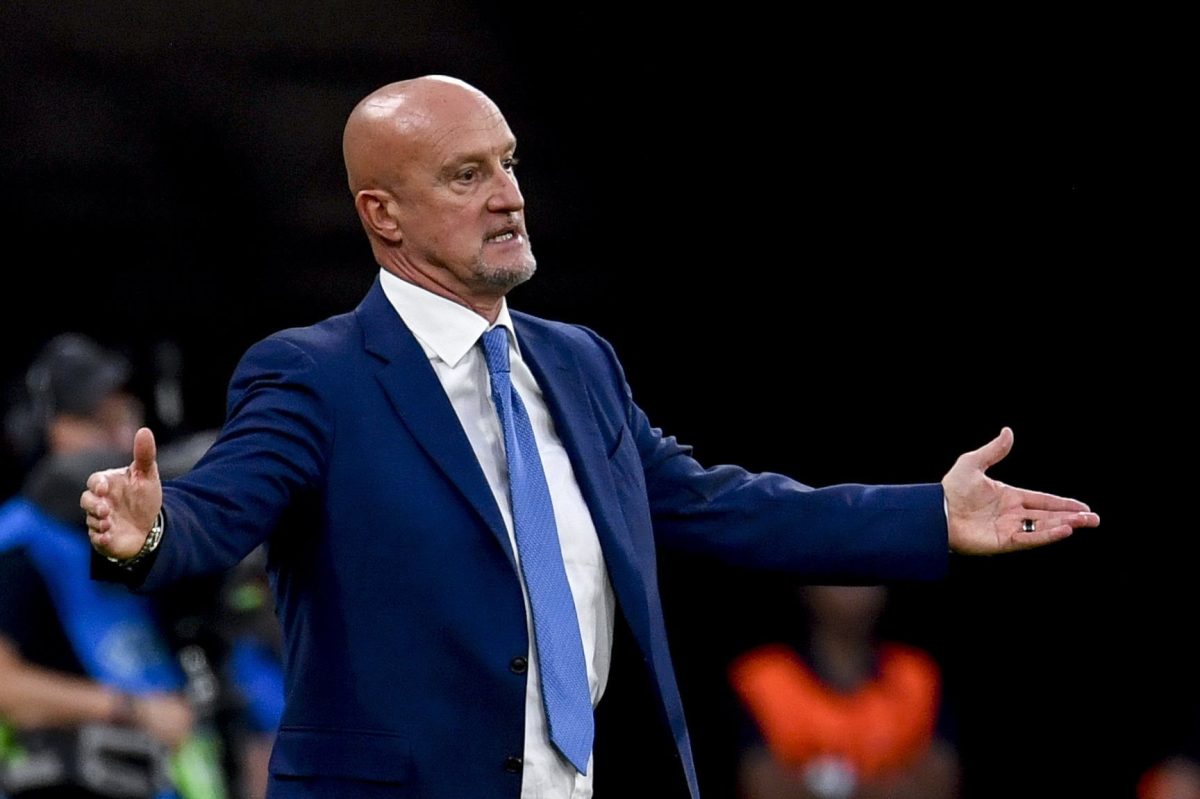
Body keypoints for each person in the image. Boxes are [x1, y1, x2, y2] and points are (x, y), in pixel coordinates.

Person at [81, 75, 1100, 799]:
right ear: (383, 214)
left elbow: (714, 505)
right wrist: (152, 530)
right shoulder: (316, 373)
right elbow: (224, 506)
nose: (509, 195)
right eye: (467, 175)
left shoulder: (578, 362)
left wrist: (928, 515)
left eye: (510, 163)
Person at [0, 334, 206, 798]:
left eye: (124, 417)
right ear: (50, 430)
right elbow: (5, 685)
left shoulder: (143, 532)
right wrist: (130, 710)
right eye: (97, 421)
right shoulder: (18, 537)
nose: (118, 437)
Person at [729, 585, 959, 799]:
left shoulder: (917, 676)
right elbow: (763, 788)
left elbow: (938, 786)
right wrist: (885, 784)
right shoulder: (762, 678)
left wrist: (818, 786)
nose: (854, 592)